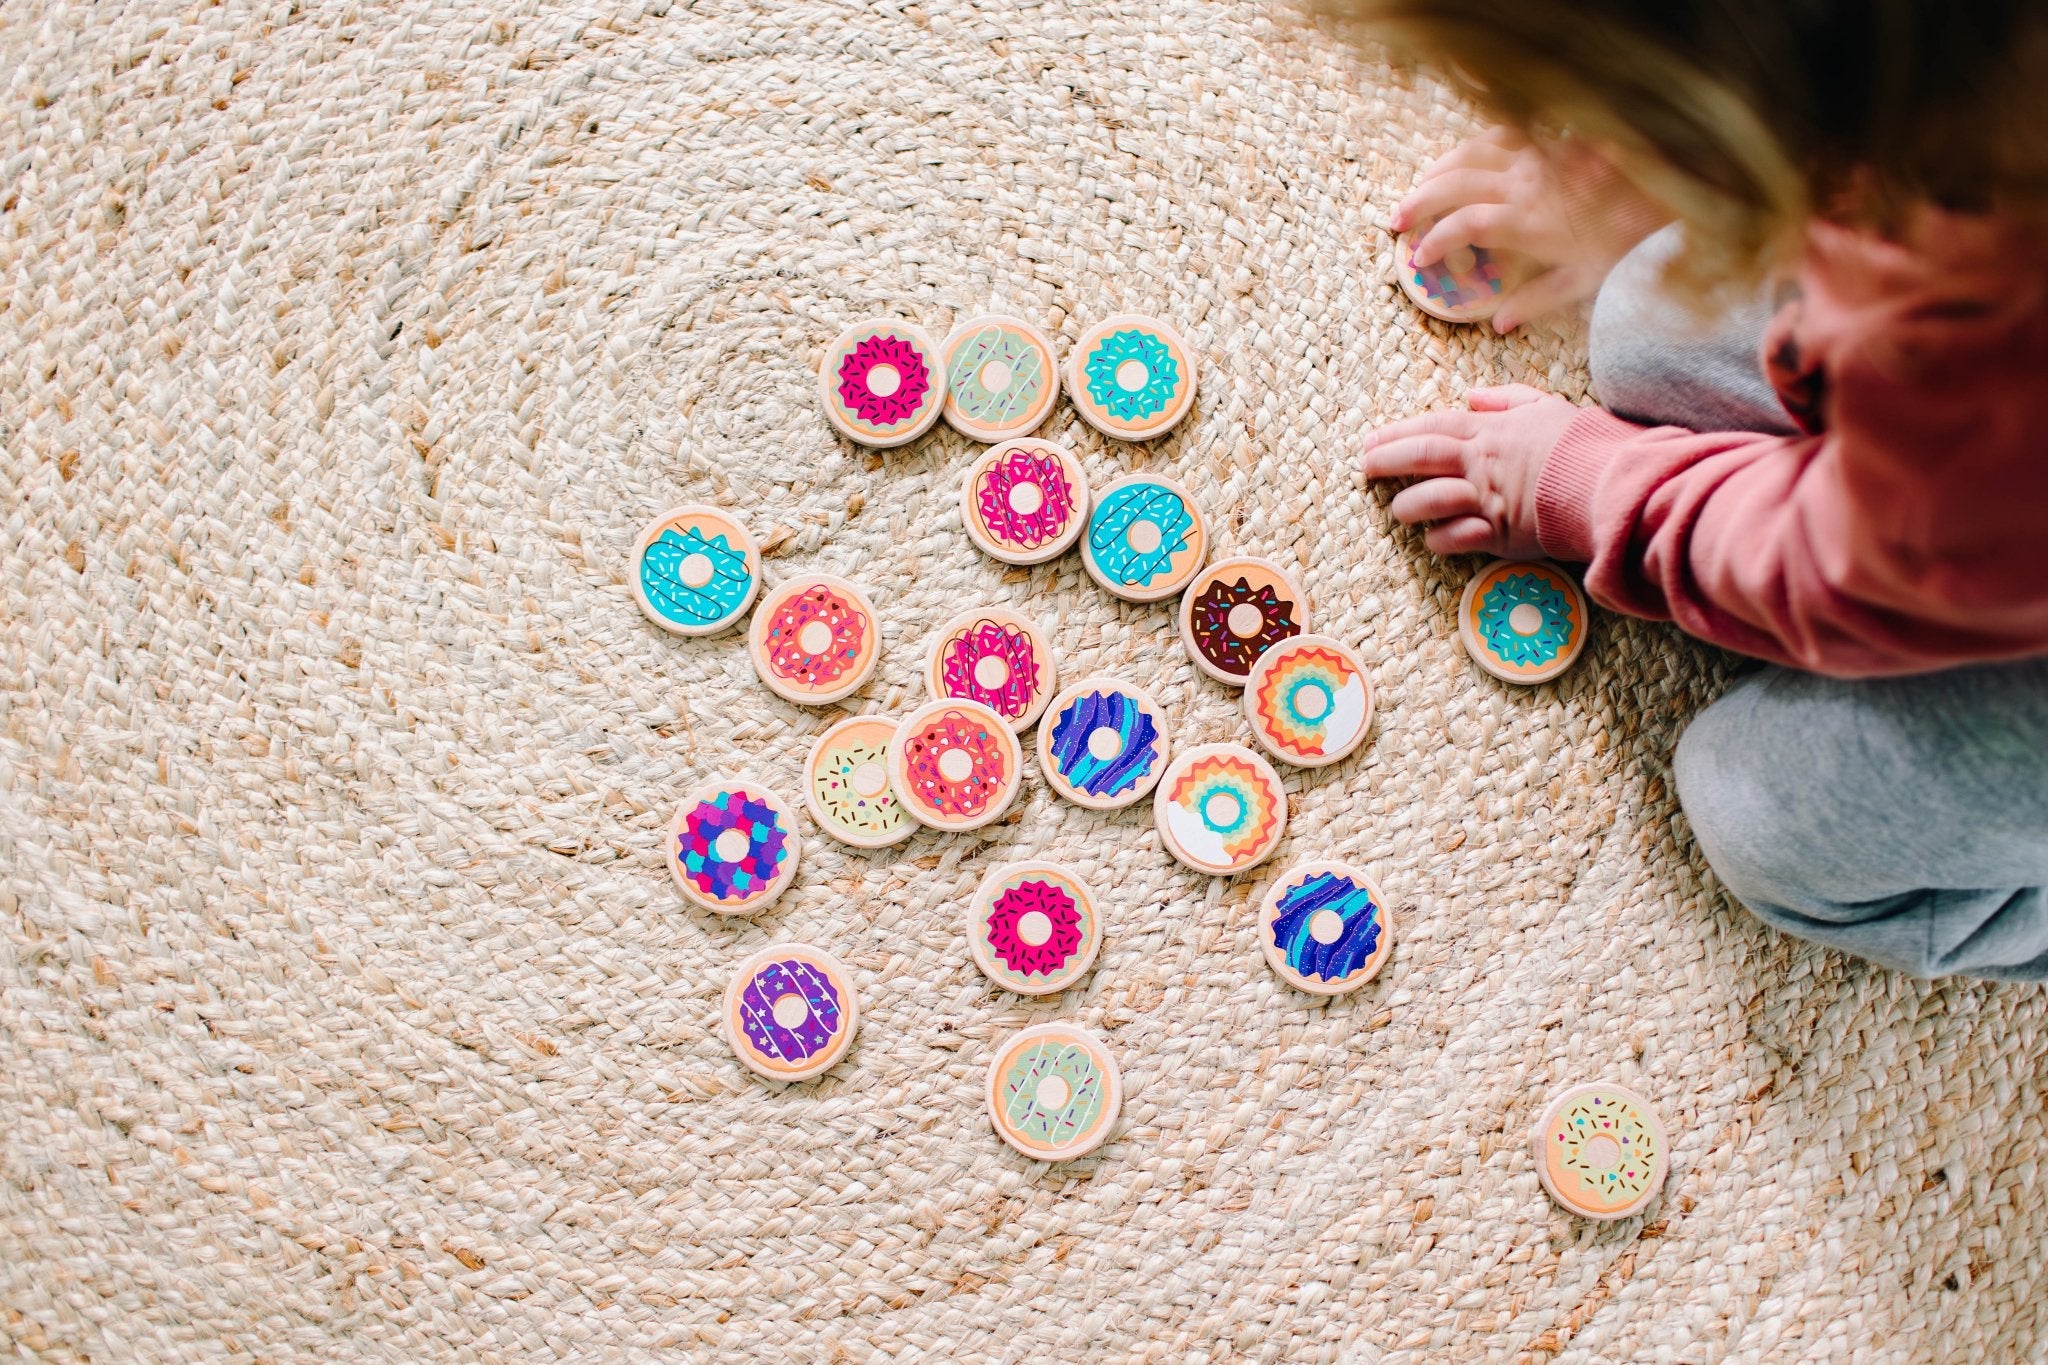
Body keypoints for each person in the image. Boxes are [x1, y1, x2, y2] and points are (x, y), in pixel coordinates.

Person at [1326, 0, 2048, 978]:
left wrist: (1580, 483)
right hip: (1967, 442)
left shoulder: (1983, 383)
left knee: (1754, 809)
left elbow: (1829, 570)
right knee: (1643, 323)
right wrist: (1664, 183)